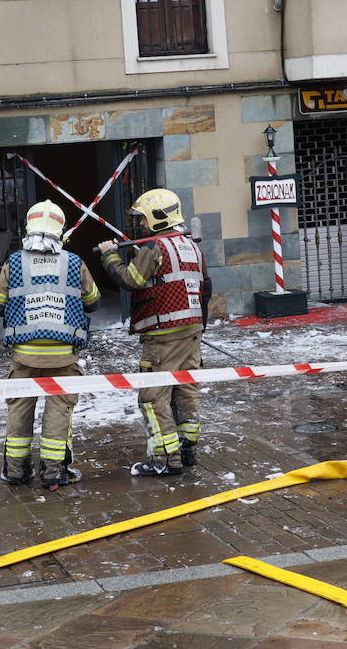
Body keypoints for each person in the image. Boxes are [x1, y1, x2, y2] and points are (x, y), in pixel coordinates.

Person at [97, 188, 211, 477]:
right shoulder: (191, 246)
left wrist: (111, 256)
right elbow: (205, 287)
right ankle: (187, 449)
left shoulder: (155, 247)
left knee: (153, 396)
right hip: (191, 332)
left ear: (156, 219)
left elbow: (132, 280)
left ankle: (164, 459)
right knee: (186, 390)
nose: (141, 225)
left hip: (163, 336)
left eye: (143, 219)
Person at [0, 200, 101, 488]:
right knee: (59, 411)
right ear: (60, 228)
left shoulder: (14, 262)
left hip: (25, 356)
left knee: (20, 409)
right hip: (63, 356)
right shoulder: (74, 262)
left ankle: (15, 471)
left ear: (29, 226)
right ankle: (53, 472)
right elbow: (94, 302)